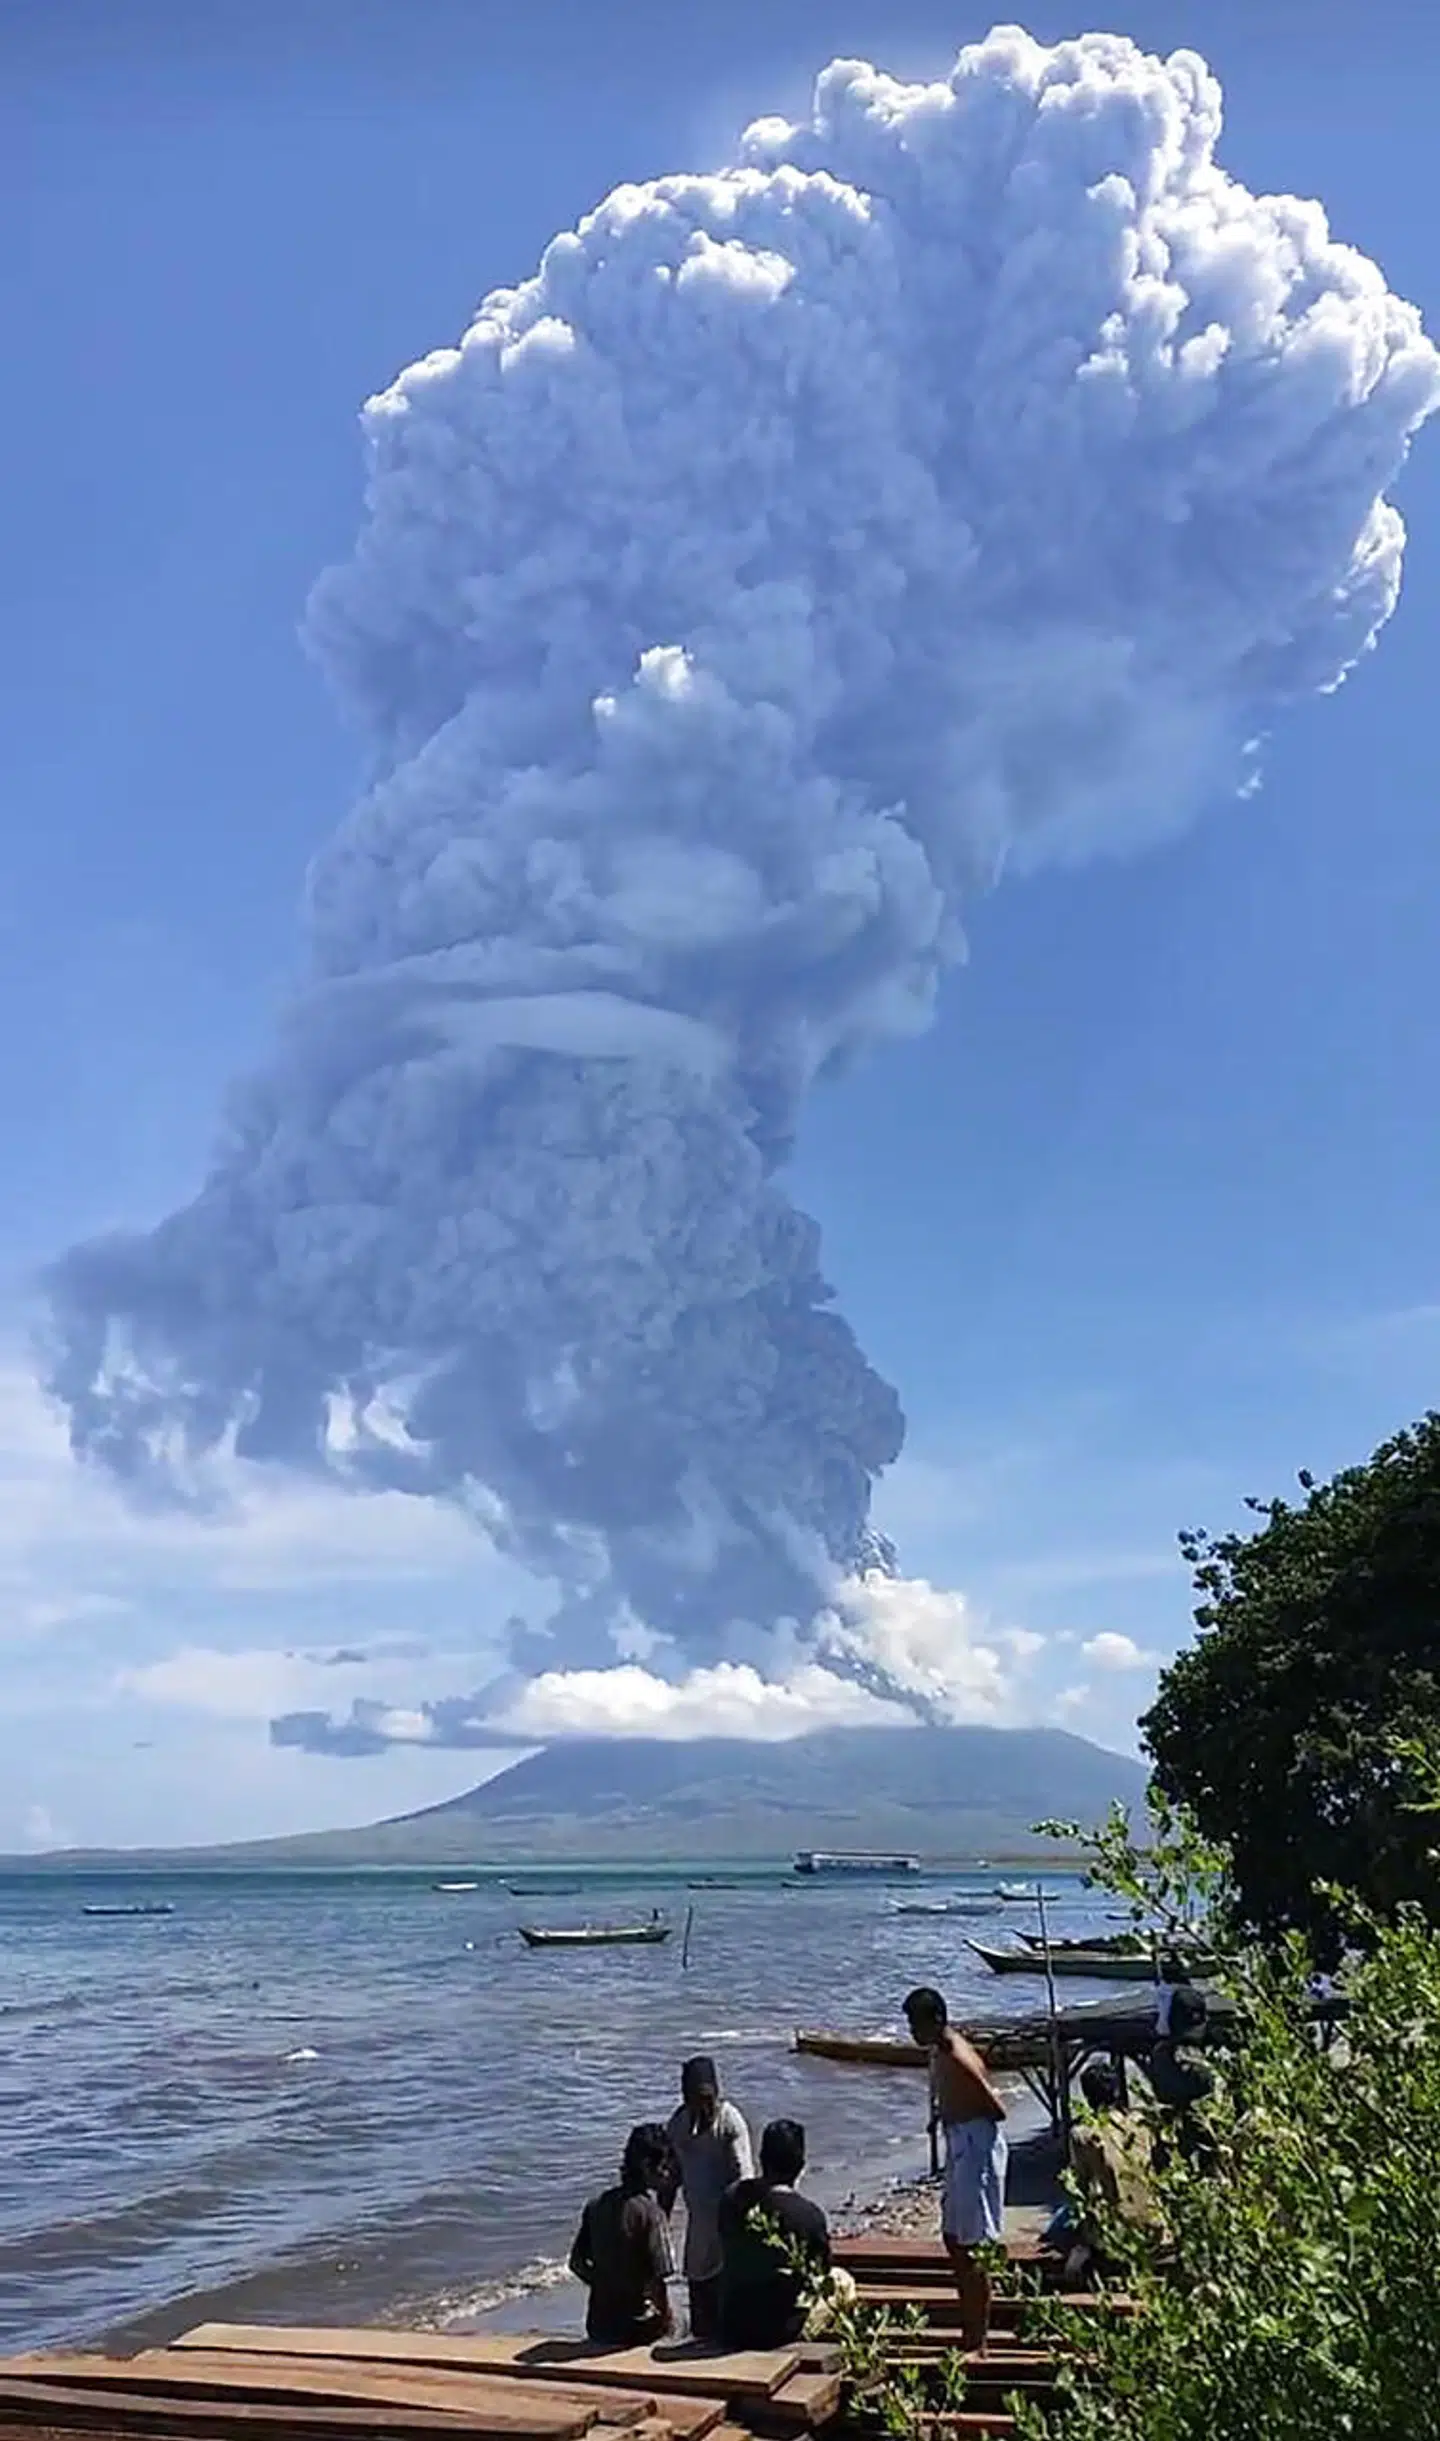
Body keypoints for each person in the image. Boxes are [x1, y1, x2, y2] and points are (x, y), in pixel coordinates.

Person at [903, 1986, 1008, 2353]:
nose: (911, 2031)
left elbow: (996, 2105)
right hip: (960, 2140)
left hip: (975, 2145)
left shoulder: (955, 2054)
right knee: (953, 2238)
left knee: (974, 2246)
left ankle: (978, 2340)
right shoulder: (939, 2051)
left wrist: (966, 2123)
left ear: (934, 2021)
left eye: (914, 2023)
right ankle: (970, 2328)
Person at [717, 2118, 831, 2348]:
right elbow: (821, 2271)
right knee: (842, 2282)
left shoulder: (731, 2198)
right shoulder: (809, 2216)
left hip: (731, 2323)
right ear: (801, 2165)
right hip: (778, 2330)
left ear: (761, 2159)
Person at [666, 2054, 754, 2341]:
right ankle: (701, 2336)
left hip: (728, 2223)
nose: (702, 2104)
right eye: (694, 2097)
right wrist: (662, 2220)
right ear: (685, 2096)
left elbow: (744, 2180)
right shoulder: (678, 2125)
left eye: (707, 2097)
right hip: (698, 2226)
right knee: (698, 2289)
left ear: (716, 2093)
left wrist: (741, 2228)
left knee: (727, 2295)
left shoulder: (730, 2122)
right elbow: (671, 2176)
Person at [569, 2122, 678, 2346]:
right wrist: (667, 2319)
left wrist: (604, 2286)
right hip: (636, 2327)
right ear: (648, 2166)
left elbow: (576, 2263)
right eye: (664, 2166)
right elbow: (659, 2278)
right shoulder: (651, 2213)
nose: (667, 2173)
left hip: (599, 2323)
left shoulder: (596, 2205)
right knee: (683, 2326)